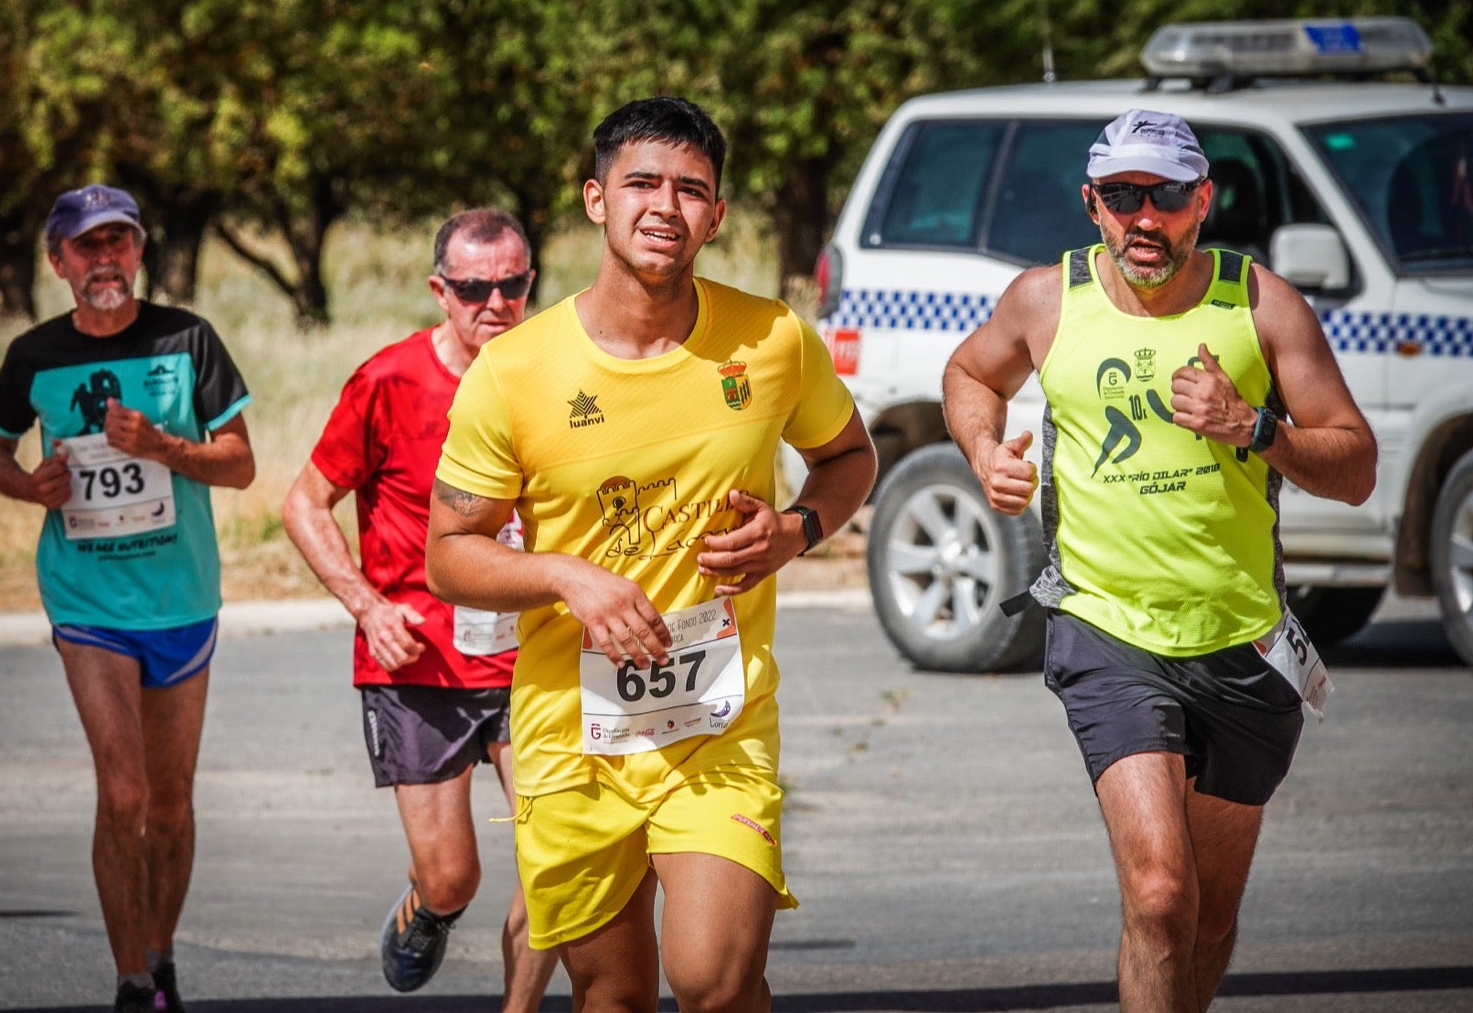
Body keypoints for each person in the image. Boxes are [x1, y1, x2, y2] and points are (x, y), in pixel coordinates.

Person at [424, 96, 877, 1012]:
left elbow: (849, 457)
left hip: (718, 721)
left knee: (711, 978)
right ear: (597, 199)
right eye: (641, 183)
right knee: (613, 997)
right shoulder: (512, 372)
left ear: (715, 215)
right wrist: (563, 574)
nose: (664, 206)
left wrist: (798, 530)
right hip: (570, 733)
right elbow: (449, 554)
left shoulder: (773, 340)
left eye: (691, 189)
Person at [942, 109, 1377, 1012]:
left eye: (1169, 195)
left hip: (1243, 642)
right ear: (1092, 204)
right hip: (1109, 631)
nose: (1147, 218)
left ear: (1203, 201)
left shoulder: (1261, 304)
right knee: (1159, 895)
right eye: (1124, 195)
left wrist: (1252, 427)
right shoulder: (1046, 300)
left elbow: (1357, 466)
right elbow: (970, 375)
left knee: (1208, 919)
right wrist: (986, 452)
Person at [0, 184, 255, 1013]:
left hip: (181, 597)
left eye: (120, 243)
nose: (106, 260)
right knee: (123, 791)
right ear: (58, 262)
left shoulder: (187, 339)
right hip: (87, 600)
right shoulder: (34, 354)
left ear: (139, 252)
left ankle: (160, 954)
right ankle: (131, 978)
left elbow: (238, 463)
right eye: (87, 247)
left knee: (169, 805)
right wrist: (31, 487)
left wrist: (163, 444)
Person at [281, 209, 559, 1008]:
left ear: (530, 283)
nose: (496, 302)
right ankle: (428, 907)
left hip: (529, 655)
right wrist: (366, 607)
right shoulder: (389, 381)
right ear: (441, 290)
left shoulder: (556, 374)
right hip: (417, 660)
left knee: (556, 857)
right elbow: (304, 503)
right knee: (453, 874)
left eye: (512, 285)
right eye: (475, 288)